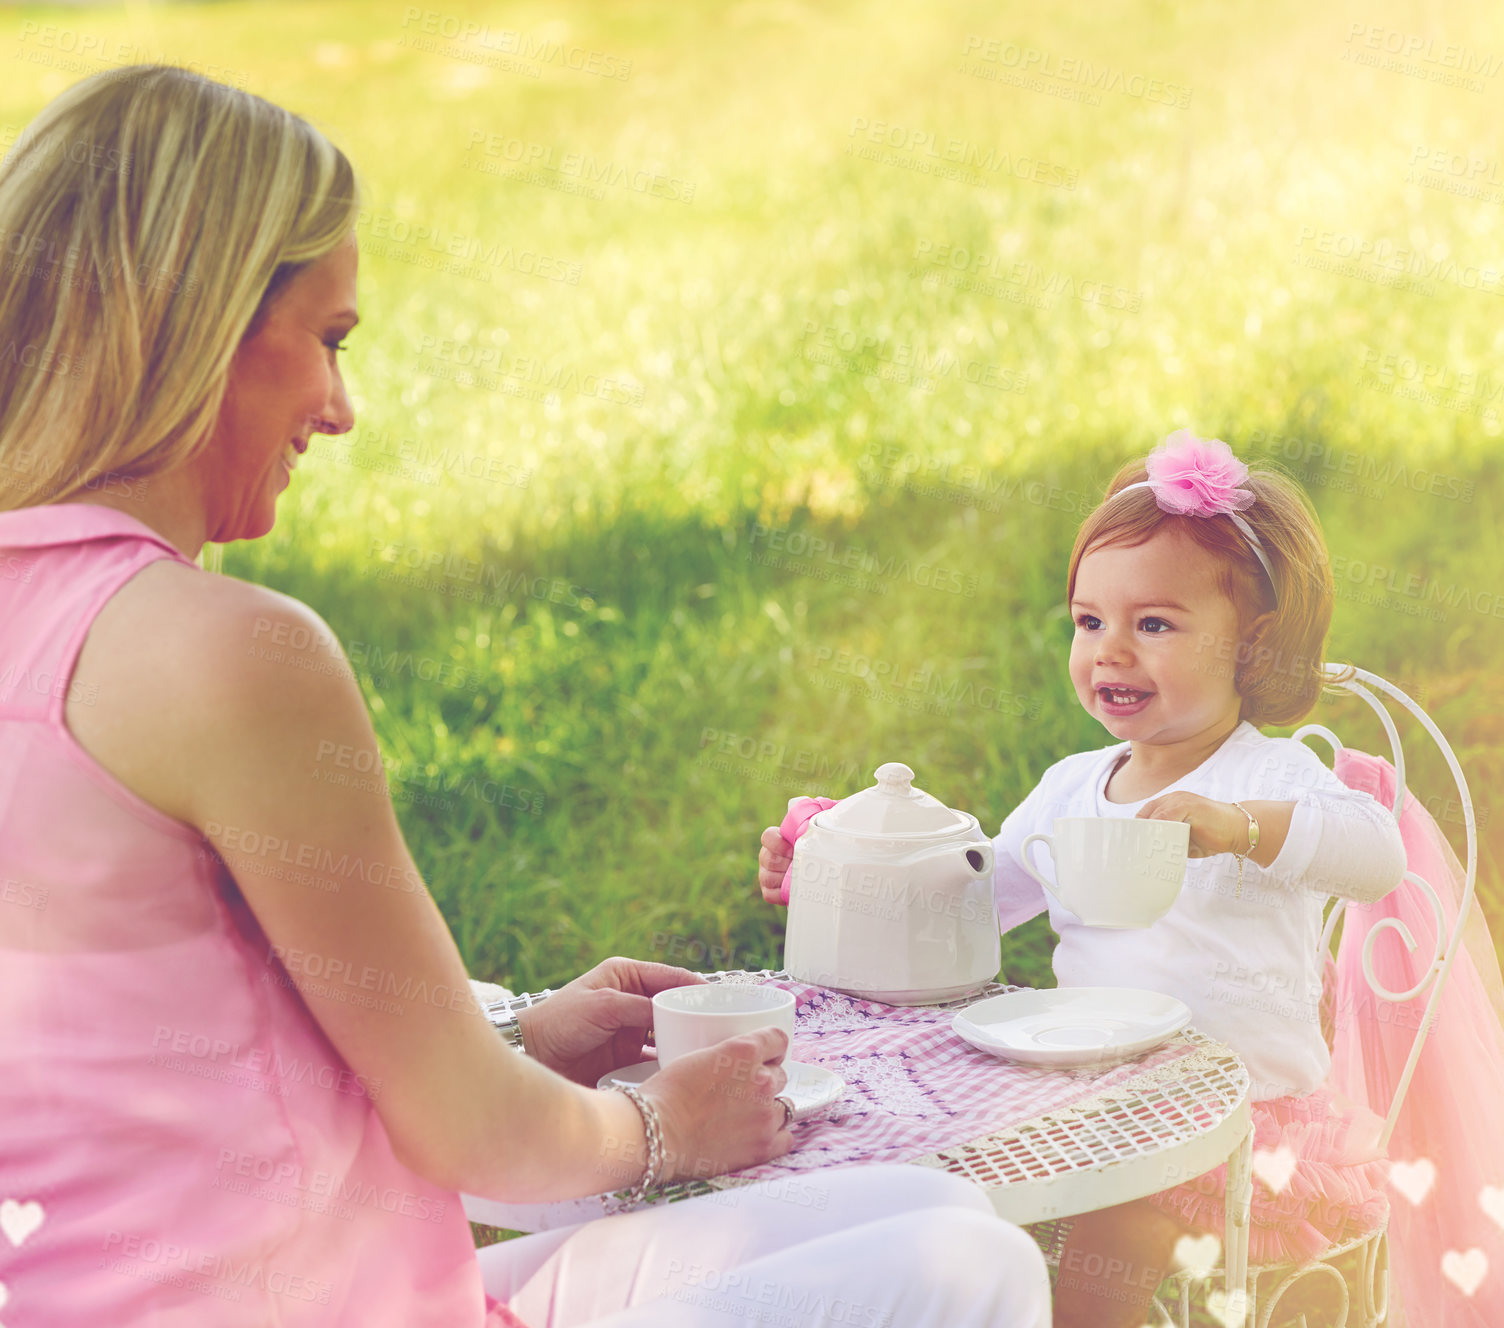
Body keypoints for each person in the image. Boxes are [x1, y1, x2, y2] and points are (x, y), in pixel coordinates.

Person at [0, 65, 1054, 1327]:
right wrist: (661, 1125)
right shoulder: (221, 652)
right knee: (975, 1271)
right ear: (199, 318)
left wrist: (516, 1033)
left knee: (933, 1217)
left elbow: (167, 1036)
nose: (339, 411)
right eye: (329, 342)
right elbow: (475, 1134)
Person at [758, 432, 1410, 1328]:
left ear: (1249, 650)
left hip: (1238, 1133)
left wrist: (1247, 830)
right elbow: (973, 904)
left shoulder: (1267, 775)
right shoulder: (1072, 787)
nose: (1110, 651)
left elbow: (1378, 854)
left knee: (1115, 1235)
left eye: (1155, 625)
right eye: (1089, 621)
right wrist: (840, 871)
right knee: (942, 1196)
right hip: (1091, 1116)